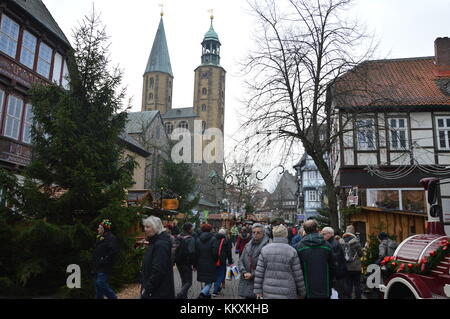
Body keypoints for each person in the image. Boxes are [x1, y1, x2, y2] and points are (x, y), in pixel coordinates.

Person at [254, 224, 305, 299]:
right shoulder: (292, 251)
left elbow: (259, 273)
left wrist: (258, 291)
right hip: (288, 290)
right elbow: (298, 275)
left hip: (268, 289)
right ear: (286, 234)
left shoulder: (265, 250)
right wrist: (302, 292)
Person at [296, 219, 334, 299]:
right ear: (317, 229)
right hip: (325, 288)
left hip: (307, 289)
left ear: (305, 230)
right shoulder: (327, 245)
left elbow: (297, 269)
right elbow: (333, 267)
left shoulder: (299, 247)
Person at [140, 216, 175, 299]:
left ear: (156, 228)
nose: (145, 229)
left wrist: (148, 289)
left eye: (148, 227)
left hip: (158, 291)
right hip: (155, 289)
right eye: (144, 226)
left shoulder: (161, 244)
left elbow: (158, 270)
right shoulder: (154, 241)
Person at [238, 223, 270, 299]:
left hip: (259, 283)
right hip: (246, 280)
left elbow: (266, 266)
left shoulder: (266, 247)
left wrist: (252, 274)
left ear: (263, 234)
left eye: (258, 232)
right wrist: (244, 272)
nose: (255, 234)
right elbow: (241, 260)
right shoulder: (247, 245)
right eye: (254, 232)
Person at [92, 219, 119, 299]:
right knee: (97, 286)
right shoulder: (100, 238)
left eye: (99, 228)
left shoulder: (111, 238)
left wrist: (103, 260)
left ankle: (113, 297)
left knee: (100, 283)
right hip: (96, 266)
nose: (98, 229)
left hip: (104, 266)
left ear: (104, 229)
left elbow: (113, 251)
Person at [194, 224, 219, 299]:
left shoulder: (198, 239)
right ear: (210, 230)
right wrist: (215, 260)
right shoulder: (213, 239)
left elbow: (196, 253)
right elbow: (215, 253)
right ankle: (202, 294)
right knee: (210, 281)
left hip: (200, 263)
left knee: (206, 280)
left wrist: (195, 264)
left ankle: (207, 295)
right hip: (210, 263)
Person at [339, 225, 363, 299]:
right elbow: (360, 254)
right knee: (357, 285)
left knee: (348, 285)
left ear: (346, 231)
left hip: (346, 267)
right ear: (353, 231)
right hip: (356, 267)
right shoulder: (356, 241)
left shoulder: (341, 241)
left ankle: (349, 297)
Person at [321, 227, 346, 298]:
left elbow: (335, 261)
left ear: (329, 234)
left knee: (338, 293)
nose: (322, 235)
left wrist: (333, 276)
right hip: (338, 274)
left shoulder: (332, 244)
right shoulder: (332, 243)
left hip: (337, 275)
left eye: (323, 234)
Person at [175, 222, 196, 299]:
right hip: (186, 262)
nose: (192, 229)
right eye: (192, 227)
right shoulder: (190, 239)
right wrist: (194, 264)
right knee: (189, 282)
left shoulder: (178, 236)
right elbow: (192, 252)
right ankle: (180, 294)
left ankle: (184, 296)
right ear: (189, 229)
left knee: (183, 280)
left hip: (178, 261)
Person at [212, 228, 233, 297]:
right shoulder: (226, 241)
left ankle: (217, 288)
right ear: (224, 234)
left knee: (216, 274)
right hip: (222, 260)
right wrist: (230, 261)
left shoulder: (214, 239)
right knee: (221, 275)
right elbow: (229, 252)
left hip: (214, 260)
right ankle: (215, 291)